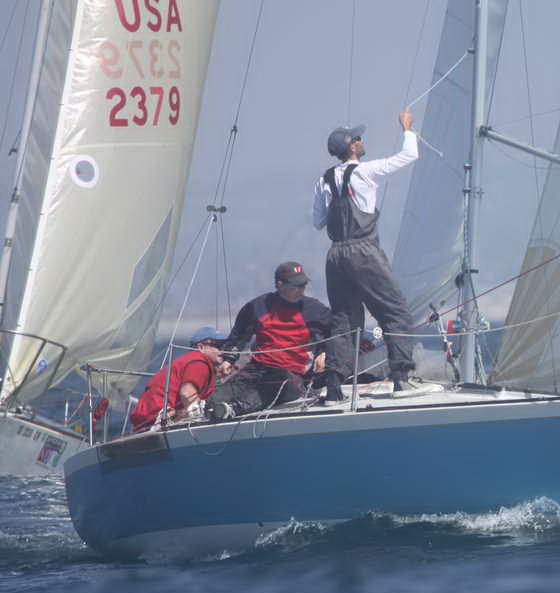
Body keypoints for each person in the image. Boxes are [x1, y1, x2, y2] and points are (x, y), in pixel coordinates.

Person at [313, 109, 419, 391]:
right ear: (352, 147)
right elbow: (409, 155)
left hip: (335, 255)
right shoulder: (365, 171)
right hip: (363, 251)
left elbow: (318, 222)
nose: (362, 141)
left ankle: (333, 386)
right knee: (395, 312)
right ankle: (401, 379)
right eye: (358, 138)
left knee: (344, 320)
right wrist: (407, 128)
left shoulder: (324, 179)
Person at [206, 262, 351, 421]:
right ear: (279, 284)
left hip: (291, 377)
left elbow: (338, 333)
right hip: (257, 370)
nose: (301, 290)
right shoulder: (258, 307)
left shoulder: (314, 309)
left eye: (303, 285)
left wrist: (324, 353)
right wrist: (228, 360)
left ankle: (235, 409)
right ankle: (216, 408)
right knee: (213, 400)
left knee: (277, 383)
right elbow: (238, 335)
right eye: (296, 286)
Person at [129, 327, 228, 432]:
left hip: (145, 420)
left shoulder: (189, 360)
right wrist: (198, 420)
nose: (223, 350)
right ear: (201, 347)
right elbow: (187, 392)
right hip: (159, 419)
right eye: (218, 345)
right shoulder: (199, 361)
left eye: (225, 346)